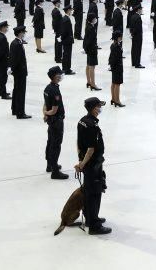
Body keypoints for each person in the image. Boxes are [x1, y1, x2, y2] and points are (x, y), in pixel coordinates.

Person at [75, 97, 111, 235]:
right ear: (93, 108)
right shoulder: (91, 126)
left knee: (88, 191)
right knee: (95, 193)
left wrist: (80, 161)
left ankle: (90, 217)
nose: (100, 108)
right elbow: (91, 149)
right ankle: (94, 225)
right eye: (98, 106)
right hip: (93, 165)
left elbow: (78, 142)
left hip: (86, 163)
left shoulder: (82, 121)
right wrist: (83, 164)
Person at [43, 66, 69, 179]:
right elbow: (54, 110)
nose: (61, 76)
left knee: (50, 142)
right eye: (59, 74)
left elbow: (45, 104)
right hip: (57, 121)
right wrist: (48, 113)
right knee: (56, 145)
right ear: (55, 76)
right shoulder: (55, 91)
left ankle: (50, 165)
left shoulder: (47, 88)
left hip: (51, 121)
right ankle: (55, 171)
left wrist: (45, 113)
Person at [9, 25, 31, 119]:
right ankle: (20, 113)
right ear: (20, 33)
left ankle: (15, 109)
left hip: (18, 71)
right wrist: (12, 68)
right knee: (20, 92)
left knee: (16, 90)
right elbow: (15, 59)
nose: (24, 34)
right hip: (20, 72)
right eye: (23, 32)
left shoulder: (16, 42)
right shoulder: (17, 44)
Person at [107, 30, 126, 108]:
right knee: (117, 84)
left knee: (114, 83)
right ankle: (117, 100)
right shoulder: (116, 46)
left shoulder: (113, 45)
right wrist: (113, 65)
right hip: (117, 67)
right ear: (118, 37)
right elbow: (115, 58)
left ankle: (113, 99)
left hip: (115, 66)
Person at [82, 14, 101, 90]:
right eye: (95, 18)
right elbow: (89, 40)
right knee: (92, 67)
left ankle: (89, 82)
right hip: (92, 50)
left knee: (88, 65)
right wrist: (89, 48)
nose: (96, 19)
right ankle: (93, 84)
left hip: (89, 49)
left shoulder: (88, 26)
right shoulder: (91, 28)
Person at [59, 5, 76, 75]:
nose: (71, 11)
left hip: (67, 40)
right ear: (68, 11)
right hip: (67, 40)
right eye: (71, 10)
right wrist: (61, 38)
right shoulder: (66, 19)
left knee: (67, 55)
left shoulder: (66, 18)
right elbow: (65, 31)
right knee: (67, 55)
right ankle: (66, 69)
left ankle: (66, 68)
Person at [129, 4, 144, 69]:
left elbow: (131, 27)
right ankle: (137, 64)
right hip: (138, 36)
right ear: (138, 10)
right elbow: (137, 28)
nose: (142, 10)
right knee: (138, 49)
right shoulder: (138, 17)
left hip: (134, 35)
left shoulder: (132, 16)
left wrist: (132, 34)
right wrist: (134, 33)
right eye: (141, 9)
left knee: (134, 49)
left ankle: (133, 62)